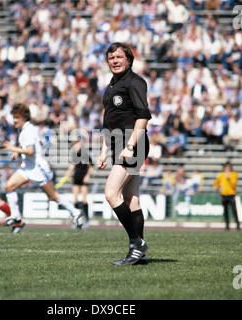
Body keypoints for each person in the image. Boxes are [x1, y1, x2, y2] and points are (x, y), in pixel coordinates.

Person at [97, 43, 152, 266]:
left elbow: (143, 117)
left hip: (132, 145)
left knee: (111, 193)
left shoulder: (135, 82)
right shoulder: (111, 85)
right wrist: (103, 150)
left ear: (129, 59)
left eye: (119, 57)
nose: (115, 60)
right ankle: (139, 254)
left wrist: (129, 146)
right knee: (131, 199)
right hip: (119, 145)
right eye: (111, 57)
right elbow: (108, 121)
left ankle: (137, 244)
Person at [3, 103, 84, 232]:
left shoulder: (29, 130)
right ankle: (16, 217)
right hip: (27, 167)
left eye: (17, 117)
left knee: (53, 197)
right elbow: (26, 147)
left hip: (38, 169)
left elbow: (30, 151)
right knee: (8, 186)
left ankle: (75, 212)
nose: (14, 120)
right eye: (14, 117)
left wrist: (14, 149)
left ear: (24, 117)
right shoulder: (24, 129)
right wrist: (17, 152)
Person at [64, 140, 94, 228]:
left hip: (83, 178)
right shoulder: (74, 155)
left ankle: (87, 220)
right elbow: (72, 165)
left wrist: (88, 176)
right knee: (75, 200)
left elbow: (91, 166)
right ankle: (76, 220)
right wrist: (68, 173)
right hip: (76, 178)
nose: (76, 147)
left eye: (77, 145)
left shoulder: (85, 155)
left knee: (84, 200)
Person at [213, 161, 240, 231]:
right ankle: (227, 225)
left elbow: (234, 184)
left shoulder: (234, 174)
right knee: (226, 211)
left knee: (234, 210)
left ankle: (237, 225)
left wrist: (229, 178)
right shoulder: (221, 175)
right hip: (224, 194)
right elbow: (215, 184)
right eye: (226, 168)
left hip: (231, 194)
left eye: (229, 168)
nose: (227, 169)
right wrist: (218, 188)